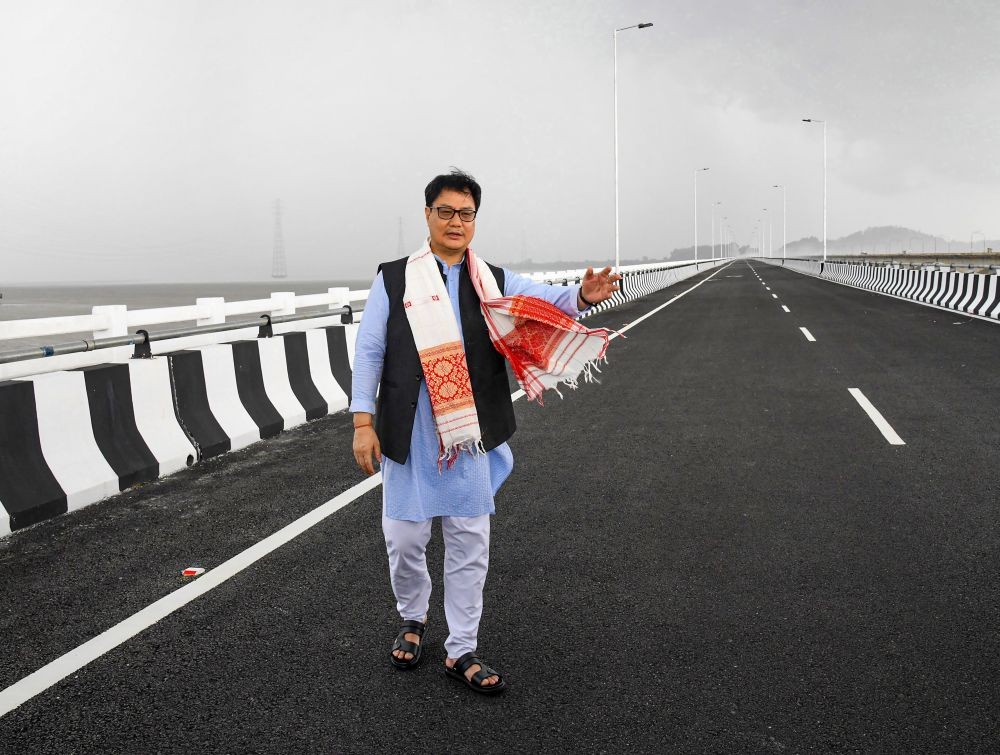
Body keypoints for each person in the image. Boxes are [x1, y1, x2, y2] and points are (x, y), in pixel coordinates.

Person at [350, 168, 620, 695]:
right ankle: (413, 616)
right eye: (446, 211)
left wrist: (582, 297)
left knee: (469, 541)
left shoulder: (490, 277)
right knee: (404, 538)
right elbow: (370, 350)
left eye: (466, 213)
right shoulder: (393, 277)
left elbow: (541, 301)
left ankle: (461, 648)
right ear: (427, 215)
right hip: (411, 427)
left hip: (468, 431)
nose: (456, 222)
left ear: (476, 219)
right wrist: (363, 422)